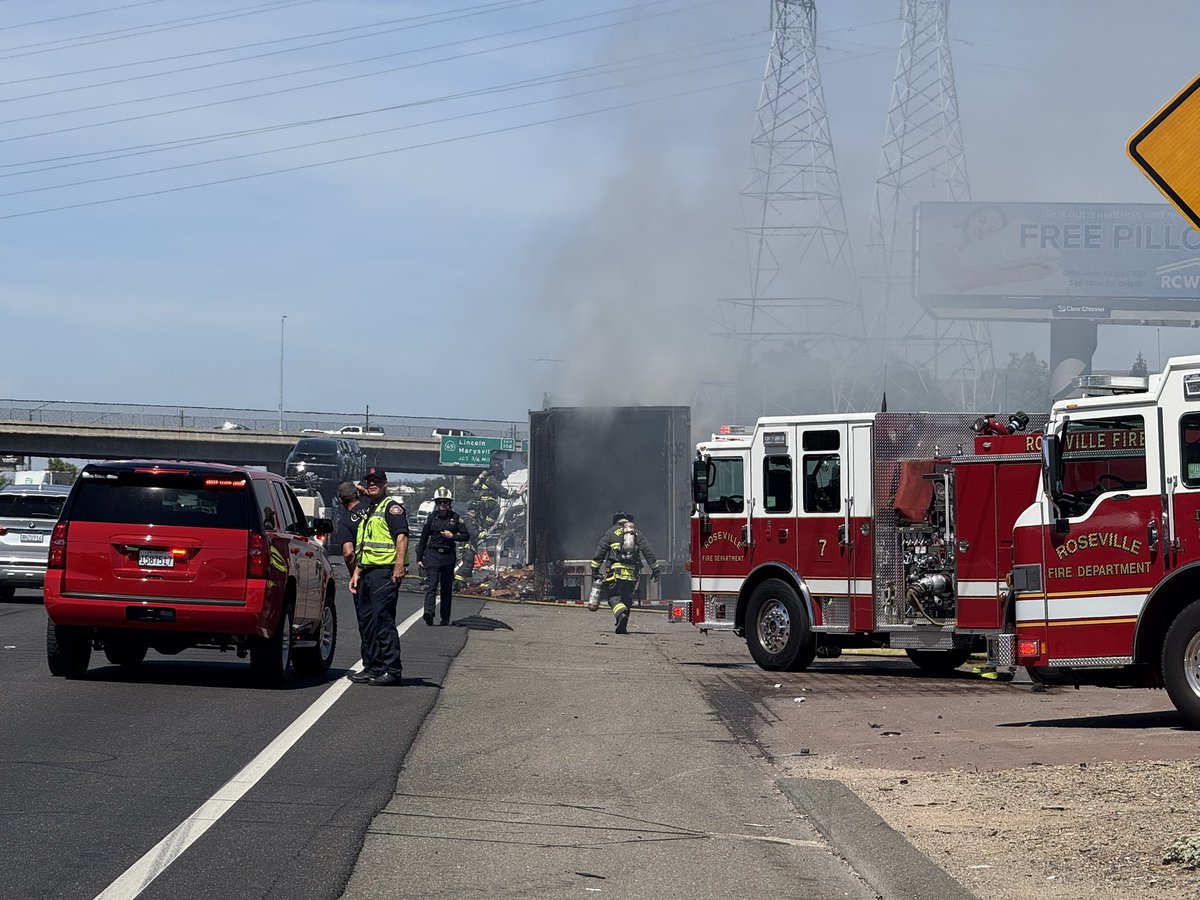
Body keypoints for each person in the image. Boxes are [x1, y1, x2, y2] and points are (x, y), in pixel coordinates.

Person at [347, 467, 409, 686]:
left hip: (384, 572)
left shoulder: (392, 508)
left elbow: (401, 538)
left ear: (385, 483)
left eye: (377, 481)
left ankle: (392, 670)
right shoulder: (371, 508)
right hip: (367, 572)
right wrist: (357, 571)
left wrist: (399, 566)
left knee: (382, 621)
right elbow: (364, 545)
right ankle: (373, 667)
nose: (372, 484)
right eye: (369, 481)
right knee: (367, 623)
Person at [589, 511, 661, 634]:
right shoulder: (637, 533)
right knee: (627, 597)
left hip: (614, 573)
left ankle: (620, 614)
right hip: (632, 574)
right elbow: (648, 552)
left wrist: (594, 569)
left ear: (616, 521)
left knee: (613, 596)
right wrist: (655, 568)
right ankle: (623, 624)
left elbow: (600, 552)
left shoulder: (610, 532)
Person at [416, 486, 469, 626]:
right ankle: (429, 612)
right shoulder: (431, 518)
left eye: (445, 502)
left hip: (448, 557)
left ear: (449, 503)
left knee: (446, 588)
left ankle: (445, 617)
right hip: (433, 555)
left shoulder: (456, 518)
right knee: (431, 584)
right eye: (440, 502)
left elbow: (466, 536)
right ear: (436, 503)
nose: (442, 505)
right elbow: (423, 538)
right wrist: (419, 558)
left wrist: (453, 536)